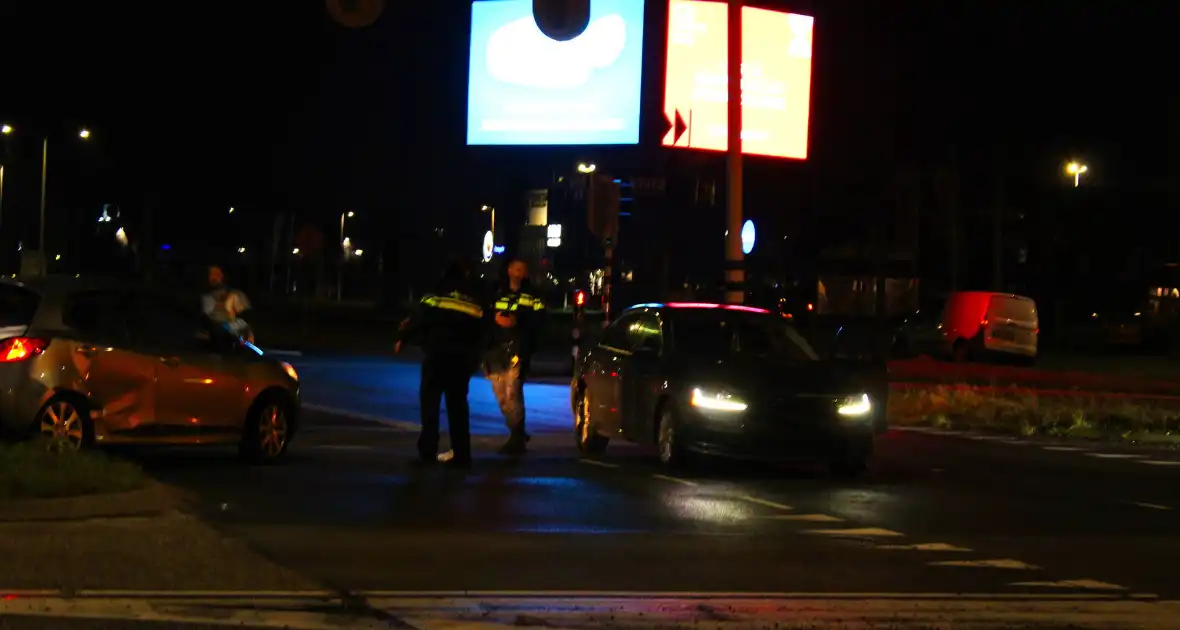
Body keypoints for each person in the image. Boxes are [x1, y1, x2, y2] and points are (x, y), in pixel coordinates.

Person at [395, 258, 487, 469]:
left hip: (437, 356)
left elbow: (419, 320)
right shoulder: (473, 299)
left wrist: (403, 338)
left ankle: (428, 450)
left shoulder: (435, 295)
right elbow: (483, 329)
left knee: (430, 405)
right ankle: (462, 453)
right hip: (462, 360)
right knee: (458, 407)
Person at [484, 259, 545, 455]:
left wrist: (517, 322)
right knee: (501, 396)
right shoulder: (495, 291)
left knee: (513, 393)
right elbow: (482, 313)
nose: (520, 274)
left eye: (523, 271)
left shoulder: (533, 295)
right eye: (517, 269)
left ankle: (517, 438)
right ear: (509, 270)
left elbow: (541, 319)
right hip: (495, 350)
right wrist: (494, 319)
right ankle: (517, 431)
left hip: (518, 349)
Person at [203, 265, 254, 343]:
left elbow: (245, 314)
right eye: (211, 275)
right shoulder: (207, 296)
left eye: (217, 274)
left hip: (232, 328)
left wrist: (248, 333)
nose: (214, 278)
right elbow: (208, 313)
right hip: (217, 329)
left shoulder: (235, 294)